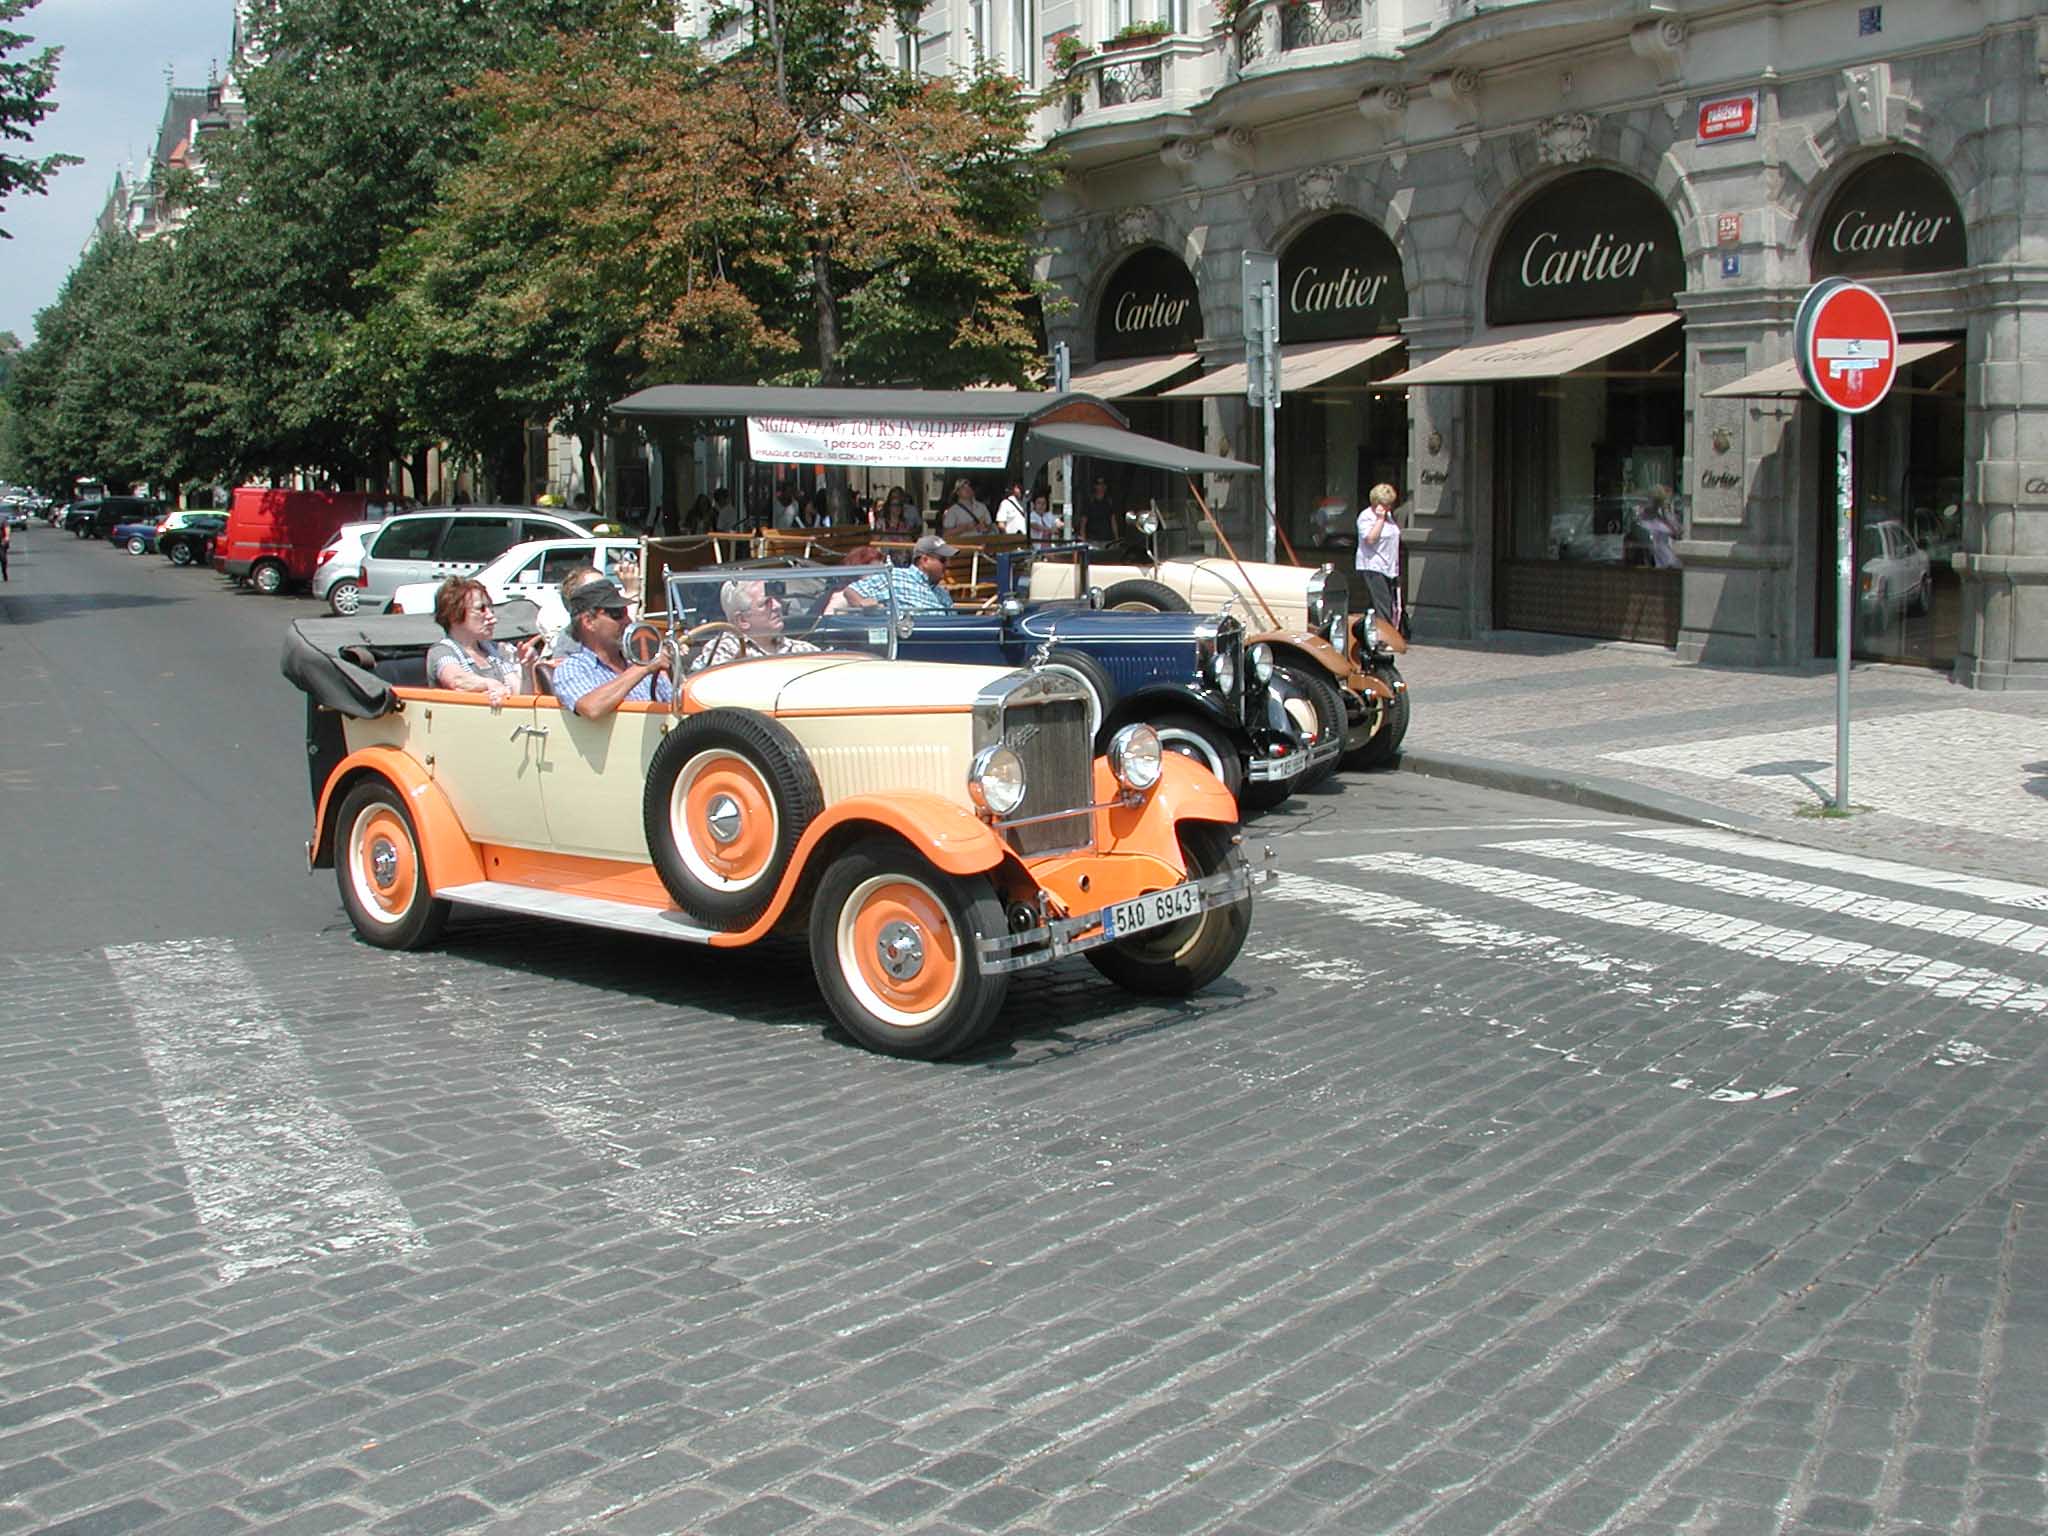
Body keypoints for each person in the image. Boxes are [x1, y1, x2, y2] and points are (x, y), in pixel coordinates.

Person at [550, 576, 674, 718]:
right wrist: (645, 667)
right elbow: (591, 708)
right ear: (589, 622)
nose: (627, 621)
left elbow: (675, 706)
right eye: (617, 614)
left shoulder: (636, 666)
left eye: (626, 613)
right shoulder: (572, 668)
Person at [428, 578, 539, 705]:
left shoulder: (494, 651)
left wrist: (527, 668)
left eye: (490, 609)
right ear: (453, 614)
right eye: (481, 609)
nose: (492, 618)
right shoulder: (441, 651)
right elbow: (456, 680)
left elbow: (521, 698)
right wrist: (491, 684)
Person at [851, 533, 958, 613]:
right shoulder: (894, 577)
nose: (948, 564)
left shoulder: (942, 594)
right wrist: (863, 603)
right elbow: (852, 590)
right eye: (943, 560)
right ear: (925, 560)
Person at [1356, 482, 1404, 631]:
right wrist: (1380, 520)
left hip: (1389, 566)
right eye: (1385, 504)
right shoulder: (1366, 517)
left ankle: (1370, 633)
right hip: (1373, 565)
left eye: (1390, 504)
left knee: (1380, 603)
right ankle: (1385, 636)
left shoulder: (1389, 516)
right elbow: (1370, 539)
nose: (1388, 507)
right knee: (1383, 604)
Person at [1080, 475, 1117, 544]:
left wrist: (1116, 538)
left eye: (1103, 484)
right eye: (1099, 484)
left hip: (1107, 539)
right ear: (1095, 486)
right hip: (1093, 540)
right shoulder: (1089, 502)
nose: (1101, 487)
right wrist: (1083, 539)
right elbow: (1083, 522)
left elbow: (1113, 520)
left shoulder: (1109, 502)